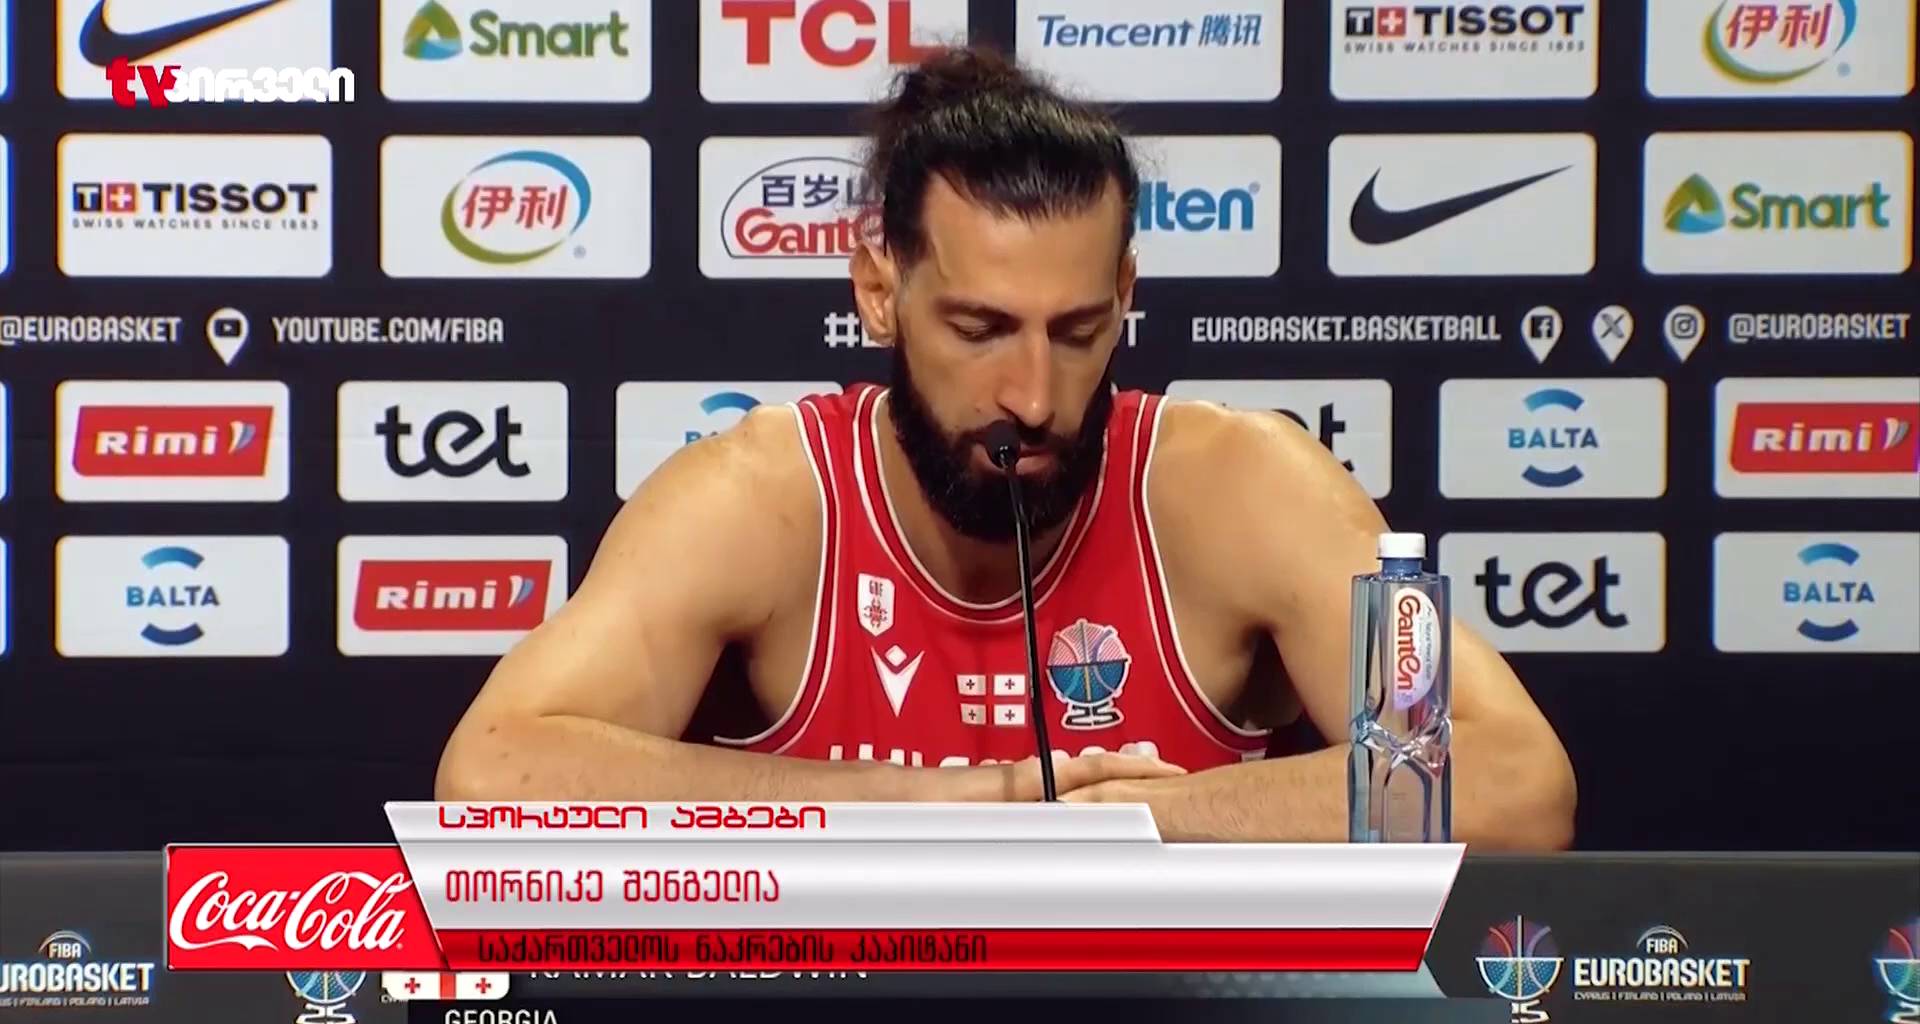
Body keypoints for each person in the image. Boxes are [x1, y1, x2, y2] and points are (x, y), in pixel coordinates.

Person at [436, 45, 1577, 849]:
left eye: (1078, 333)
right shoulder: (763, 496)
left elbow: (1517, 785)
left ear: (1127, 295)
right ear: (878, 289)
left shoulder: (1247, 484)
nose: (1031, 398)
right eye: (979, 330)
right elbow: (492, 775)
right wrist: (975, 806)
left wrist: (1127, 820)